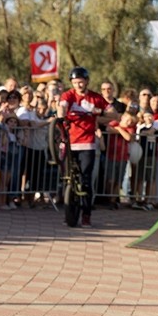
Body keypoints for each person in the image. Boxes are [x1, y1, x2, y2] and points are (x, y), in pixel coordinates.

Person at [57, 66, 116, 227]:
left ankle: (86, 214)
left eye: (81, 82)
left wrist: (98, 112)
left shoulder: (96, 98)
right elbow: (61, 106)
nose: (78, 85)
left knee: (86, 180)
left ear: (87, 81)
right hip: (70, 143)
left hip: (87, 144)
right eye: (75, 83)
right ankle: (69, 212)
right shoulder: (68, 95)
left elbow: (113, 113)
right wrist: (62, 115)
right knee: (67, 180)